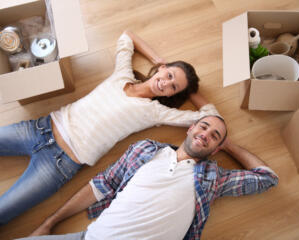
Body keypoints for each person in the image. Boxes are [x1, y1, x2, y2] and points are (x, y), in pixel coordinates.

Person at [0, 30, 221, 225]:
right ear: (162, 68)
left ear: (173, 94)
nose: (165, 83)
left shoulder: (156, 112)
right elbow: (127, 36)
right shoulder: (122, 74)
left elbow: (211, 116)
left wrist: (189, 90)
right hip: (40, 128)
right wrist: (158, 59)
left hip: (59, 165)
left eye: (173, 87)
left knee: (4, 211)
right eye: (169, 75)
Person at [23, 115, 279, 240]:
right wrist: (49, 223)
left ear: (216, 149)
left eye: (214, 136)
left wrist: (228, 144)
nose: (205, 134)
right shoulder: (145, 148)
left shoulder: (213, 178)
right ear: (191, 127)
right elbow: (101, 185)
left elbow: (267, 177)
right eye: (203, 127)